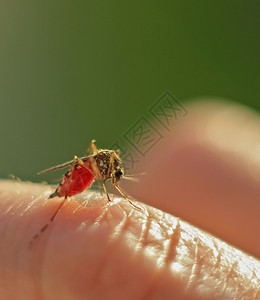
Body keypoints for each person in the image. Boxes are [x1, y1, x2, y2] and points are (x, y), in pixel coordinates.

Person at [0, 100, 259, 299]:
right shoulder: (106, 165)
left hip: (86, 172)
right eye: (117, 178)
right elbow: (96, 167)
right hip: (80, 173)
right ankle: (49, 221)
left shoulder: (110, 166)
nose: (116, 181)